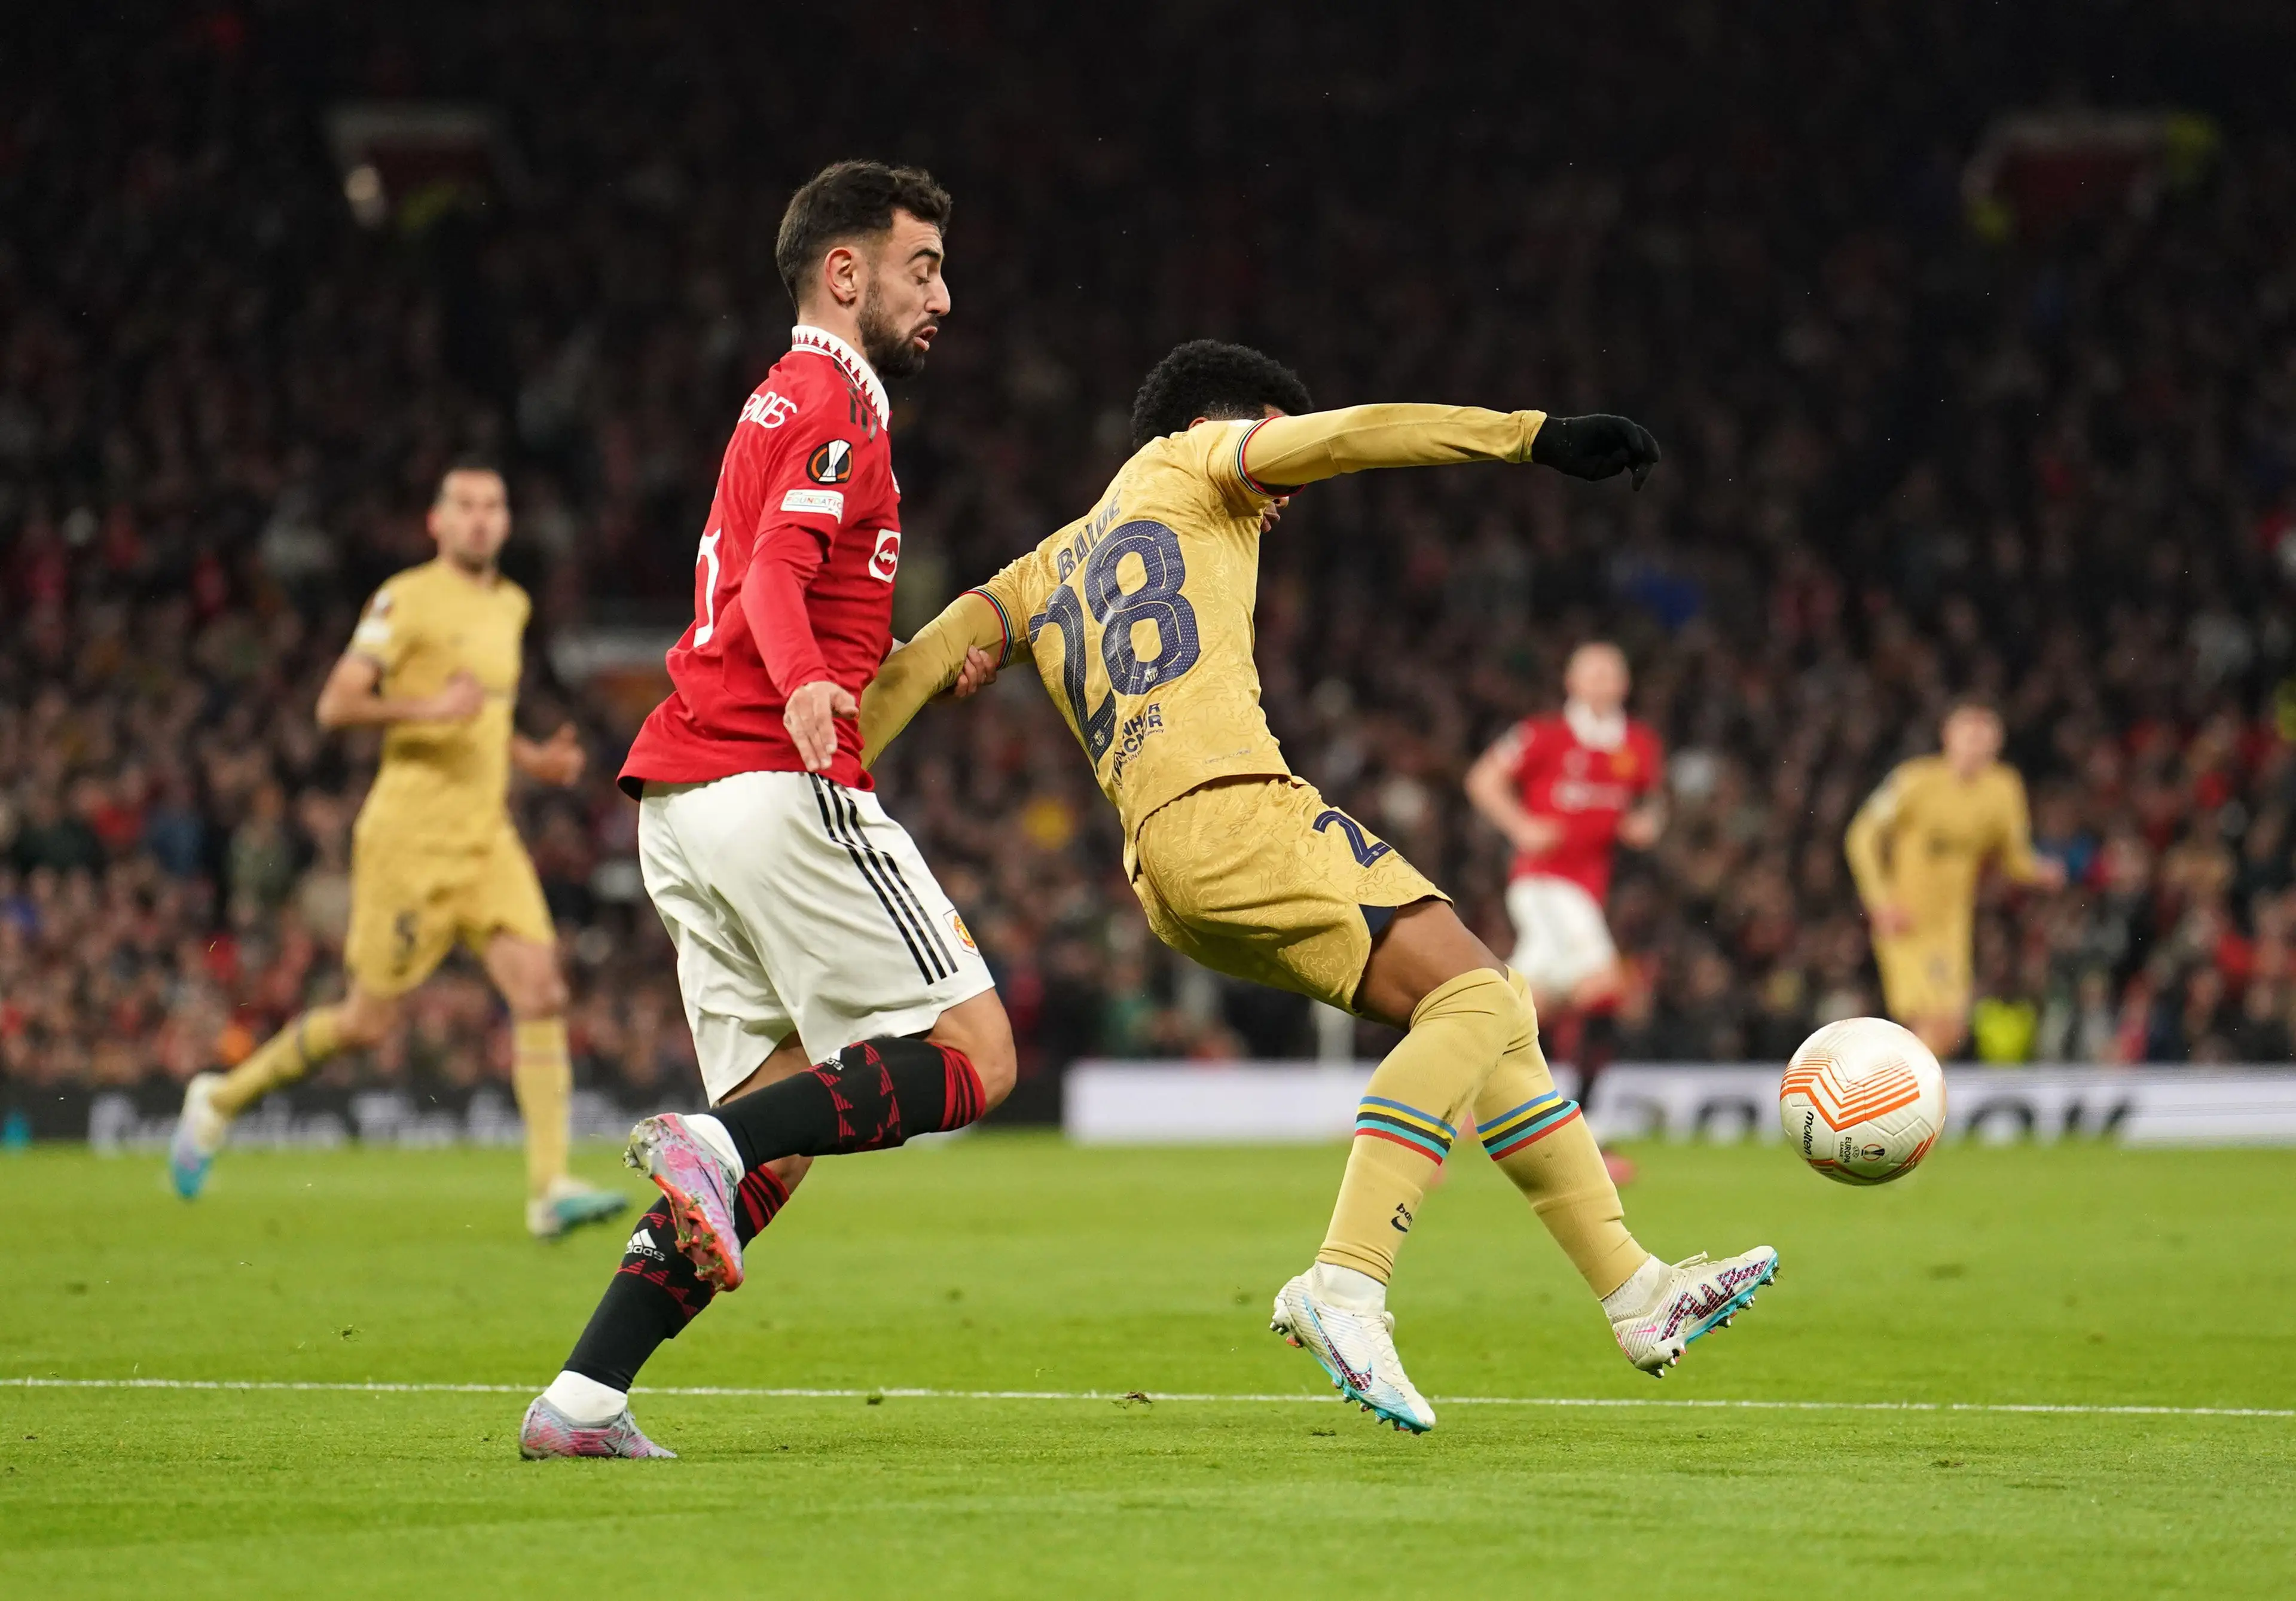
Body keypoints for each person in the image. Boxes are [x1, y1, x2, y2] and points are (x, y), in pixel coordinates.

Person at [856, 340, 1775, 1433]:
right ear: (1225, 422)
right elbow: (1351, 436)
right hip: (1237, 811)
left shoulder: (1040, 570)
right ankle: (1345, 1279)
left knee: (1497, 1008)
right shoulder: (1202, 458)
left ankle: (1634, 1286)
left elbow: (913, 666)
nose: (1284, 495)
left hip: (1164, 867)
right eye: (1270, 441)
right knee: (1476, 998)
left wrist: (810, 784)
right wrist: (1532, 436)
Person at [519, 161, 1015, 1461]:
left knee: (776, 1146)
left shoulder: (777, 401)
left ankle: (582, 1398)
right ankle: (708, 1137)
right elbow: (776, 578)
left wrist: (887, 659)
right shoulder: (834, 399)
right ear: (845, 273)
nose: (944, 298)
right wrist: (805, 685)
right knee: (978, 1053)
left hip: (681, 802)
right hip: (769, 781)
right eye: (923, 268)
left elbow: (781, 573)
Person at [169, 463, 626, 1242]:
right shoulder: (404, 599)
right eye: (465, 506)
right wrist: (430, 707)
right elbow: (336, 703)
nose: (480, 519)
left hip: (487, 838)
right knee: (365, 1023)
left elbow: (484, 715)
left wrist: (531, 757)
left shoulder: (511, 604)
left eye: (493, 506)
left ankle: (549, 1187)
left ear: (506, 522)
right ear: (436, 523)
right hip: (409, 841)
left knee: (542, 990)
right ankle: (218, 1098)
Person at [1464, 641, 1664, 1181]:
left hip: (1588, 891)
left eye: (1610, 673)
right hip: (1545, 883)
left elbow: (1650, 804)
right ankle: (1583, 1121)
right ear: (1571, 683)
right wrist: (1522, 827)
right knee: (1604, 983)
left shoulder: (1638, 745)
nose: (1602, 682)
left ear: (1624, 684)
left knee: (1519, 1003)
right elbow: (1482, 779)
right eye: (1591, 673)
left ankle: (1460, 1102)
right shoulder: (1544, 735)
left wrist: (1646, 824)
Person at [1845, 700, 2066, 1059]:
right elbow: (1861, 835)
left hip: (1952, 925)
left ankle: (1886, 1082)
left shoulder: (2004, 789)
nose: (1976, 747)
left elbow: (2014, 856)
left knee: (1951, 1028)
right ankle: (1888, 1085)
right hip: (1906, 919)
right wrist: (1880, 900)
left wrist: (2040, 871)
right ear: (1948, 737)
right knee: (1932, 1023)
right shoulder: (1913, 780)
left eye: (1985, 738)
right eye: (1969, 736)